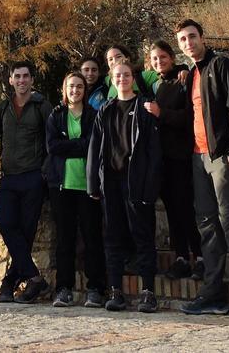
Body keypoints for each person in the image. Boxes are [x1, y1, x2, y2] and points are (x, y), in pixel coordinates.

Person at [175, 19, 229, 320]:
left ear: (202, 38)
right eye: (182, 40)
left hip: (222, 157)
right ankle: (212, 295)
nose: (188, 43)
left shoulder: (222, 65)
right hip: (197, 158)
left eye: (192, 37)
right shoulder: (191, 74)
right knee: (207, 226)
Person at [0, 60, 54, 303]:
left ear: (32, 80)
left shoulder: (42, 106)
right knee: (6, 223)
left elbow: (53, 140)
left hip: (33, 177)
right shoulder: (3, 107)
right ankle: (34, 278)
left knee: (26, 232)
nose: (21, 80)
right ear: (11, 80)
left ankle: (9, 282)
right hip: (9, 178)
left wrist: (45, 171)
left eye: (25, 76)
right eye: (17, 76)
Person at [87, 60, 161, 314]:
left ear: (133, 77)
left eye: (127, 75)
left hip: (137, 184)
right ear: (111, 78)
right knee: (113, 238)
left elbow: (154, 152)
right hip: (111, 185)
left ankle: (148, 292)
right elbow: (94, 150)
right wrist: (92, 185)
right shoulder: (105, 110)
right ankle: (116, 291)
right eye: (118, 75)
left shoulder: (144, 108)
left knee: (143, 237)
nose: (122, 79)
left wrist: (151, 186)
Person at [43, 71, 105, 308]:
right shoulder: (56, 115)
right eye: (71, 86)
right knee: (64, 239)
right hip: (61, 184)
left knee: (92, 237)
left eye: (79, 87)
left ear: (84, 90)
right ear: (64, 89)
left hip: (87, 184)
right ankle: (63, 289)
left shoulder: (93, 115)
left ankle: (95, 289)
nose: (75, 90)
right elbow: (52, 147)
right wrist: (77, 146)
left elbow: (92, 145)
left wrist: (68, 145)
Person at [144, 40, 204, 281]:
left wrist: (162, 114)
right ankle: (181, 257)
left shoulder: (183, 79)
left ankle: (199, 257)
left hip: (180, 154)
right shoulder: (154, 84)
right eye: (155, 59)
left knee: (186, 207)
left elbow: (188, 117)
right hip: (161, 157)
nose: (159, 62)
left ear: (171, 56)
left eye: (163, 57)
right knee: (171, 209)